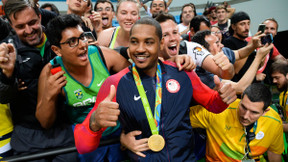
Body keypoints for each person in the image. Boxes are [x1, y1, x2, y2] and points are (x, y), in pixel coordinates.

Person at [74, 17, 237, 161]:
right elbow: (83, 147)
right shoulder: (115, 83)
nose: (140, 49)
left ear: (160, 44)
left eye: (149, 42)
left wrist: (223, 98)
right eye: (134, 41)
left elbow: (213, 105)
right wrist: (94, 124)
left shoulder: (183, 73)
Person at [36, 14, 130, 161]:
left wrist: (128, 128)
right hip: (85, 139)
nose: (82, 45)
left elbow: (138, 83)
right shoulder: (51, 72)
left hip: (118, 134)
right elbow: (45, 123)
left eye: (82, 37)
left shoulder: (103, 55)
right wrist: (49, 95)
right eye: (72, 41)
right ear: (57, 50)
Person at [0, 0, 77, 161]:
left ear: (40, 17)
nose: (29, 31)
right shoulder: (6, 50)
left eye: (32, 22)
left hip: (64, 130)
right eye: (20, 26)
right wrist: (8, 77)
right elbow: (3, 97)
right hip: (27, 135)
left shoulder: (60, 38)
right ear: (10, 24)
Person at [190, 83, 284, 161]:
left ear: (265, 111)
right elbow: (178, 118)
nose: (245, 116)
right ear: (241, 97)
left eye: (254, 112)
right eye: (243, 107)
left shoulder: (274, 121)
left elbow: (274, 154)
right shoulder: (218, 110)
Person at [155, 13, 234, 80]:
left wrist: (227, 67)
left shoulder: (192, 48)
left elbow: (225, 74)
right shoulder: (149, 60)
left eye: (175, 32)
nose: (172, 38)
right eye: (165, 35)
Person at [271, 60, 288, 132]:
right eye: (273, 78)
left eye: (277, 78)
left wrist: (272, 125)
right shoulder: (282, 94)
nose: (274, 81)